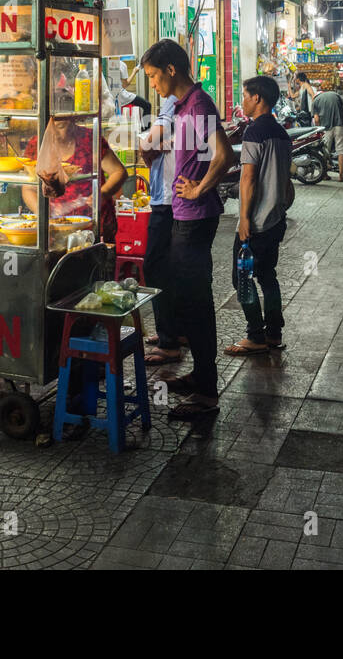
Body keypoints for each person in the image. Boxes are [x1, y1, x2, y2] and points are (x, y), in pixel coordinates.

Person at [140, 39, 234, 422]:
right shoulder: (185, 106)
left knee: (196, 303)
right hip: (186, 212)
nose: (153, 84)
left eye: (153, 76)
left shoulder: (197, 105)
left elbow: (224, 154)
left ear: (171, 70)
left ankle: (207, 394)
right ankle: (201, 376)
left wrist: (198, 188)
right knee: (189, 298)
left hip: (194, 217)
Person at [224, 76, 293, 356]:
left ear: (258, 99)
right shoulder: (282, 133)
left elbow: (248, 178)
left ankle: (255, 335)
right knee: (267, 276)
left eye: (245, 95)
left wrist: (244, 219)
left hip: (258, 222)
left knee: (241, 277)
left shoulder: (254, 133)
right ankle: (274, 333)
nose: (243, 101)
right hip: (276, 219)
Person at [22, 118, 127, 244]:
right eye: (50, 127)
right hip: (56, 228)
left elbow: (118, 172)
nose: (55, 132)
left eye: (61, 126)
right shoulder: (37, 143)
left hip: (94, 224)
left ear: (73, 122)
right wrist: (43, 213)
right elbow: (28, 188)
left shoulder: (89, 139)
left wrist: (102, 193)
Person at [140, 92, 186, 364]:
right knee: (173, 267)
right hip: (175, 197)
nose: (153, 84)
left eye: (153, 75)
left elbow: (148, 144)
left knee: (155, 266)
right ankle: (175, 331)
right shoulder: (194, 102)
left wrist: (148, 148)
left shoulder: (173, 102)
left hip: (166, 199)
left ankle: (169, 340)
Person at [312, 79, 343, 181]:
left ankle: (324, 175)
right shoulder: (335, 95)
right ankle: (341, 176)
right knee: (341, 150)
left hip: (326, 128)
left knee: (324, 151)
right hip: (340, 125)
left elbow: (316, 119)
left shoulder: (315, 101)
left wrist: (318, 131)